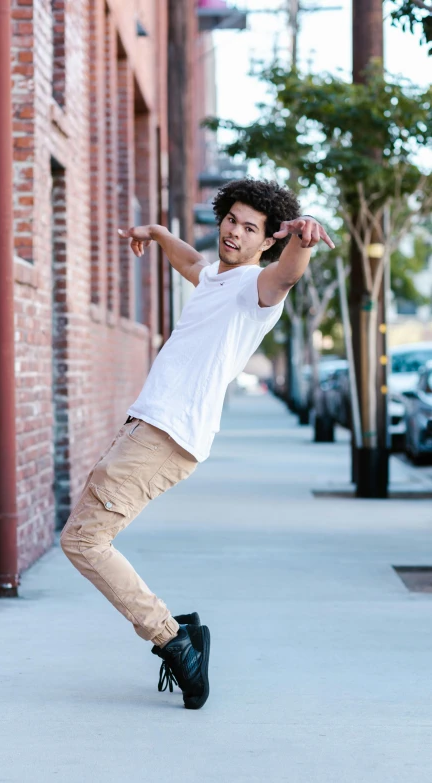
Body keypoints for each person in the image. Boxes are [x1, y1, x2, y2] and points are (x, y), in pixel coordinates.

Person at [60, 178, 334, 710]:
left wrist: (301, 241)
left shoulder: (257, 288)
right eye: (231, 219)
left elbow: (286, 278)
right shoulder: (216, 276)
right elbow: (190, 262)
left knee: (84, 542)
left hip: (167, 434)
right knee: (85, 536)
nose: (235, 232)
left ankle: (173, 640)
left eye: (250, 228)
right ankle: (174, 636)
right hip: (148, 426)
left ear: (266, 242)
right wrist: (160, 233)